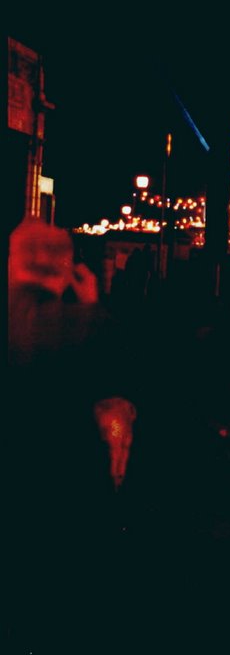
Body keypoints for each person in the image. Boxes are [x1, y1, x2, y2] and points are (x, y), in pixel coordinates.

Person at [8, 218, 139, 647]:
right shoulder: (87, 326)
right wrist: (91, 304)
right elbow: (115, 407)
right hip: (64, 490)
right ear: (65, 269)